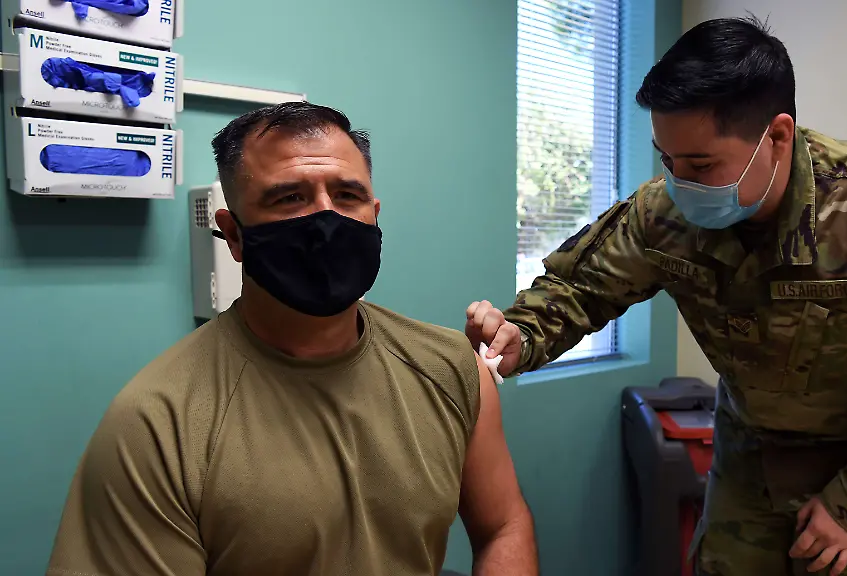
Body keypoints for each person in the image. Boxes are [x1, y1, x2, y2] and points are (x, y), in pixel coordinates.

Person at [466, 16, 847, 576]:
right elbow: (580, 288)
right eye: (667, 161)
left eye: (701, 164)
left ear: (777, 137)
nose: (680, 183)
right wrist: (521, 334)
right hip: (748, 455)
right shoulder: (663, 212)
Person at [46, 102, 538, 576]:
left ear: (374, 213)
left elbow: (503, 527)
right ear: (234, 235)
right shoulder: (158, 423)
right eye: (289, 198)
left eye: (347, 195)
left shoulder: (451, 369)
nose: (326, 219)